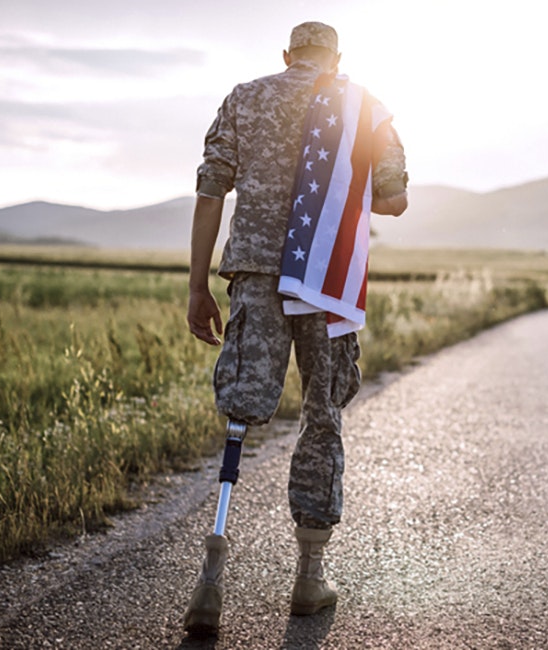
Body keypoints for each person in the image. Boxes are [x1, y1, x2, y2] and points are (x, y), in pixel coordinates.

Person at [183, 21, 407, 633]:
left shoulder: (244, 97)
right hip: (324, 283)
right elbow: (393, 200)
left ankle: (211, 583)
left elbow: (209, 191)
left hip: (254, 275)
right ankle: (309, 579)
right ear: (337, 59)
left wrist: (198, 284)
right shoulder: (364, 106)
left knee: (240, 411)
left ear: (286, 56)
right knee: (322, 413)